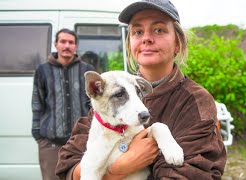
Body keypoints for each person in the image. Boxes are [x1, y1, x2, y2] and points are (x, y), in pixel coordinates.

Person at [56, 0, 227, 179]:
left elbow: (194, 172)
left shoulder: (195, 101)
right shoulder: (108, 96)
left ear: (178, 43)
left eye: (159, 29)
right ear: (130, 43)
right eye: (137, 32)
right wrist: (119, 169)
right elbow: (68, 165)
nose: (146, 38)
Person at [31, 28, 95, 180]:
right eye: (63, 41)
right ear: (56, 44)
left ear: (76, 46)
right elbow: (37, 103)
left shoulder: (87, 71)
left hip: (82, 142)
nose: (67, 45)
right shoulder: (42, 70)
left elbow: (94, 105)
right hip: (50, 144)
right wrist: (38, 135)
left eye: (71, 42)